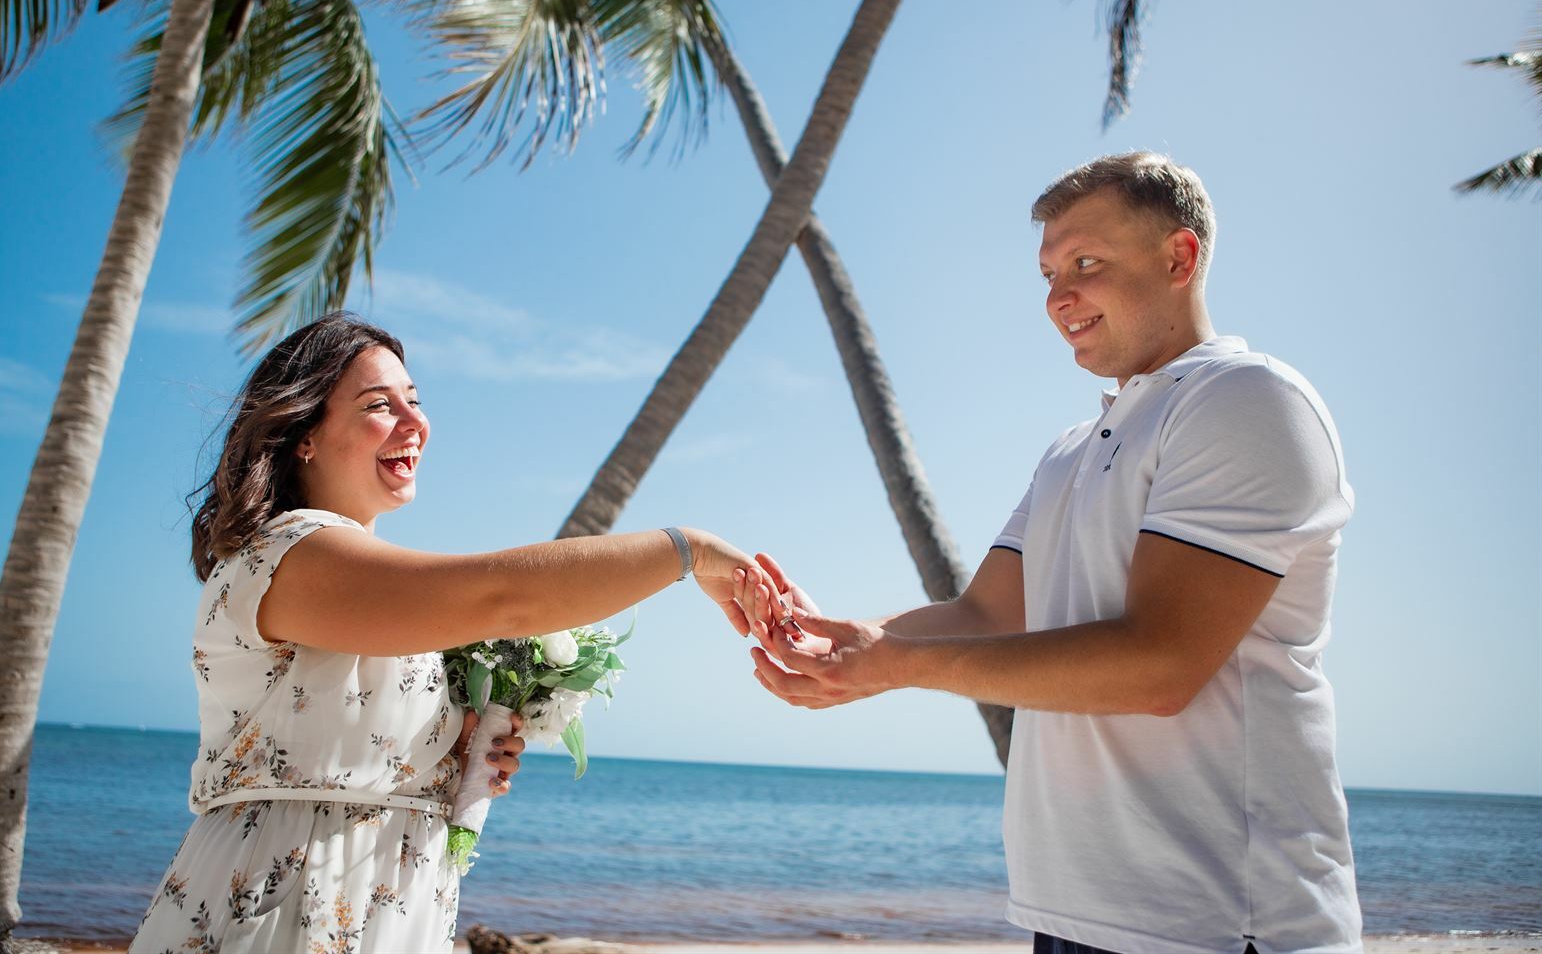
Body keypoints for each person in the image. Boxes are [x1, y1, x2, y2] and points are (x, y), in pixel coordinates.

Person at [745, 153, 1360, 954]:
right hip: (1070, 915)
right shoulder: (1073, 447)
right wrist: (837, 637)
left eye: (1086, 263)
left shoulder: (1244, 399)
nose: (1058, 297)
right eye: (1047, 273)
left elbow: (1160, 664)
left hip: (1222, 923)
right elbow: (986, 613)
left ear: (1180, 257)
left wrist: (896, 664)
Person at [130, 312, 768, 953]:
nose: (416, 425)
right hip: (286, 902)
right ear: (304, 436)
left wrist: (445, 754)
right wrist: (693, 551)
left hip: (394, 904)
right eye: (380, 405)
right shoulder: (287, 555)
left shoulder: (374, 595)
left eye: (415, 401)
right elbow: (504, 597)